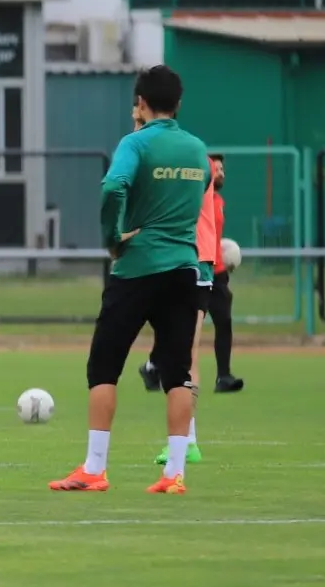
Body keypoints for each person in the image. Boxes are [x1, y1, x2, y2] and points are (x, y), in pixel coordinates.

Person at [49, 65, 208, 495]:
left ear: (140, 102)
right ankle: (175, 473)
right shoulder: (197, 150)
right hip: (183, 270)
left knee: (104, 365)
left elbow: (113, 187)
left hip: (137, 267)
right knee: (177, 372)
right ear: (177, 103)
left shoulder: (135, 143)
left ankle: (95, 468)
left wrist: (112, 237)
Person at [135, 148, 218, 466]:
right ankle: (156, 363)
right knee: (176, 343)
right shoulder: (185, 158)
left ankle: (187, 442)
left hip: (192, 257)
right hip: (172, 257)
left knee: (188, 351)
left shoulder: (186, 160)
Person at [207, 155, 245, 393]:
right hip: (197, 270)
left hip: (217, 272)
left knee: (224, 322)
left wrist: (222, 255)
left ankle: (223, 376)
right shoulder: (196, 201)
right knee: (182, 325)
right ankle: (155, 365)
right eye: (216, 169)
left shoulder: (219, 201)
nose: (222, 173)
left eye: (223, 169)